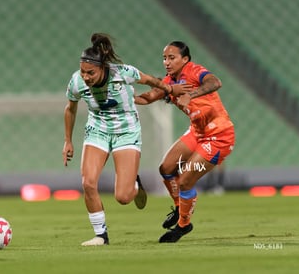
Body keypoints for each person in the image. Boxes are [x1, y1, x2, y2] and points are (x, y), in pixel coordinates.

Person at [62, 33, 187, 246]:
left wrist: (169, 89)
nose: (86, 77)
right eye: (83, 72)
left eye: (90, 72)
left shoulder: (122, 73)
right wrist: (68, 141)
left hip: (126, 132)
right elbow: (70, 109)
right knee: (88, 182)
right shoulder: (76, 82)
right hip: (97, 130)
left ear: (103, 68)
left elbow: (150, 80)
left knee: (123, 197)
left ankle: (134, 185)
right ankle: (101, 235)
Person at [135, 41, 235, 243]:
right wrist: (123, 95)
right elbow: (146, 98)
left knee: (185, 180)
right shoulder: (169, 82)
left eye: (172, 58)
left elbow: (216, 83)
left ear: (185, 59)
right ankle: (181, 207)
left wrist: (190, 94)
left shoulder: (195, 71)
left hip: (219, 135)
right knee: (166, 168)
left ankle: (183, 225)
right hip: (197, 132)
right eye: (164, 58)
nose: (167, 62)